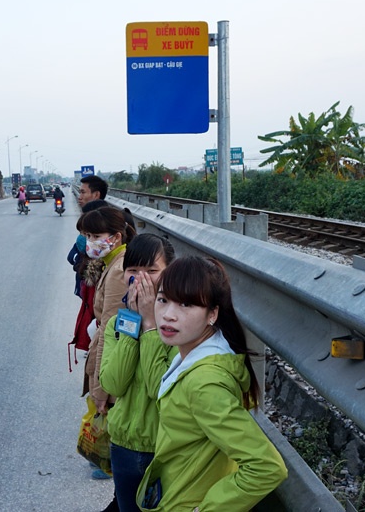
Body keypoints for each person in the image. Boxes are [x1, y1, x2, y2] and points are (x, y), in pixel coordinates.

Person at [136, 256, 288, 511]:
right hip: (181, 487)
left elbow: (267, 467)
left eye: (186, 304)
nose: (168, 315)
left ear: (212, 314)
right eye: (163, 300)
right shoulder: (195, 352)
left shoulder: (204, 384)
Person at [99, 234, 177, 512]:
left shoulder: (179, 328)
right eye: (133, 271)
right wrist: (134, 324)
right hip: (124, 446)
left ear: (170, 273)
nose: (142, 280)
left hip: (166, 448)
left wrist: (151, 327)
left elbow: (161, 388)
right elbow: (114, 384)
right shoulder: (116, 325)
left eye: (152, 271)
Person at [79, 206, 136, 499]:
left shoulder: (118, 270)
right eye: (87, 235)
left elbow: (111, 333)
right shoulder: (115, 262)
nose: (90, 242)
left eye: (95, 235)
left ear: (115, 237)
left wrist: (101, 391)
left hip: (111, 366)